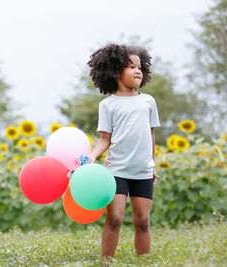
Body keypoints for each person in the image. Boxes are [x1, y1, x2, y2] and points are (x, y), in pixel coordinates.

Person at [87, 43, 161, 258]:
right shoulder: (108, 105)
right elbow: (104, 139)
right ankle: (106, 262)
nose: (137, 70)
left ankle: (144, 262)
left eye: (139, 67)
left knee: (142, 220)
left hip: (142, 170)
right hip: (116, 170)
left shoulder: (148, 101)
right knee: (115, 218)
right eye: (130, 66)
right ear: (115, 71)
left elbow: (151, 135)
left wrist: (152, 163)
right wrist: (93, 155)